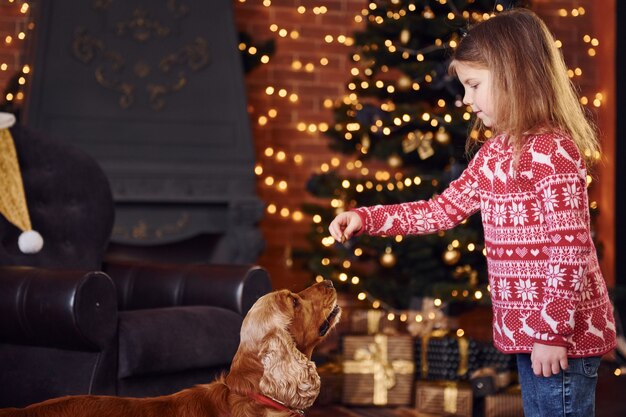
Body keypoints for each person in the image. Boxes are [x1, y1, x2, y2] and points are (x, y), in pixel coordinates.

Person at [328, 8, 616, 417]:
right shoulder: (492, 155)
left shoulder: (554, 152)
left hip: (559, 337)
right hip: (528, 336)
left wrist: (552, 332)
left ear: (514, 75)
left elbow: (569, 248)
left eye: (474, 85)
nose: (466, 100)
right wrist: (368, 218)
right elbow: (439, 211)